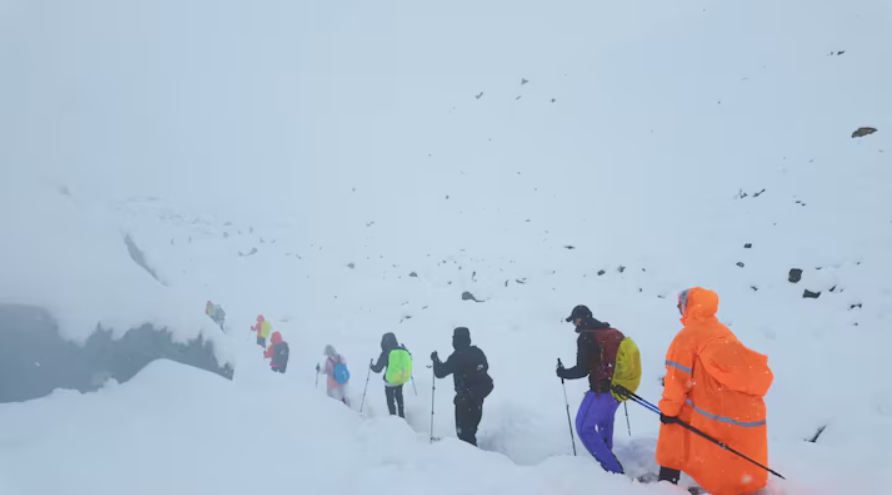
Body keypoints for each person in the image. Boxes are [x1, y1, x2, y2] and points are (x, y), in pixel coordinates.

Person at [656, 288, 773, 495]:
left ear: (687, 307)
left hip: (702, 407)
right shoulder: (723, 331)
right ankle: (742, 485)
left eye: (679, 306)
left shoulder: (686, 338)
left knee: (672, 438)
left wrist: (668, 411)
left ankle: (666, 485)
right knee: (723, 451)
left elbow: (676, 381)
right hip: (728, 408)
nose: (679, 310)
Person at [556, 305, 630, 474]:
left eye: (574, 321)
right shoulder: (608, 331)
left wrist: (562, 373)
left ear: (580, 319)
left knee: (583, 427)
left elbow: (582, 370)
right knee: (604, 421)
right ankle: (608, 459)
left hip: (601, 390)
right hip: (619, 390)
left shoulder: (587, 337)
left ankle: (613, 470)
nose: (574, 325)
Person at [431, 327, 494, 446]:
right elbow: (485, 367)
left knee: (464, 436)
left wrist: (435, 360)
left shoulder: (457, 356)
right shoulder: (478, 352)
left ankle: (472, 461)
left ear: (456, 340)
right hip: (477, 400)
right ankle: (476, 459)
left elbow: (440, 372)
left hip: (464, 402)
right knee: (470, 434)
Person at [370, 332, 412, 418]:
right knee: (399, 398)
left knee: (390, 401)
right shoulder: (402, 349)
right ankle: (402, 417)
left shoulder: (386, 353)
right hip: (401, 379)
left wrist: (371, 366)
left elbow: (378, 369)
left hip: (389, 381)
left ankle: (394, 419)